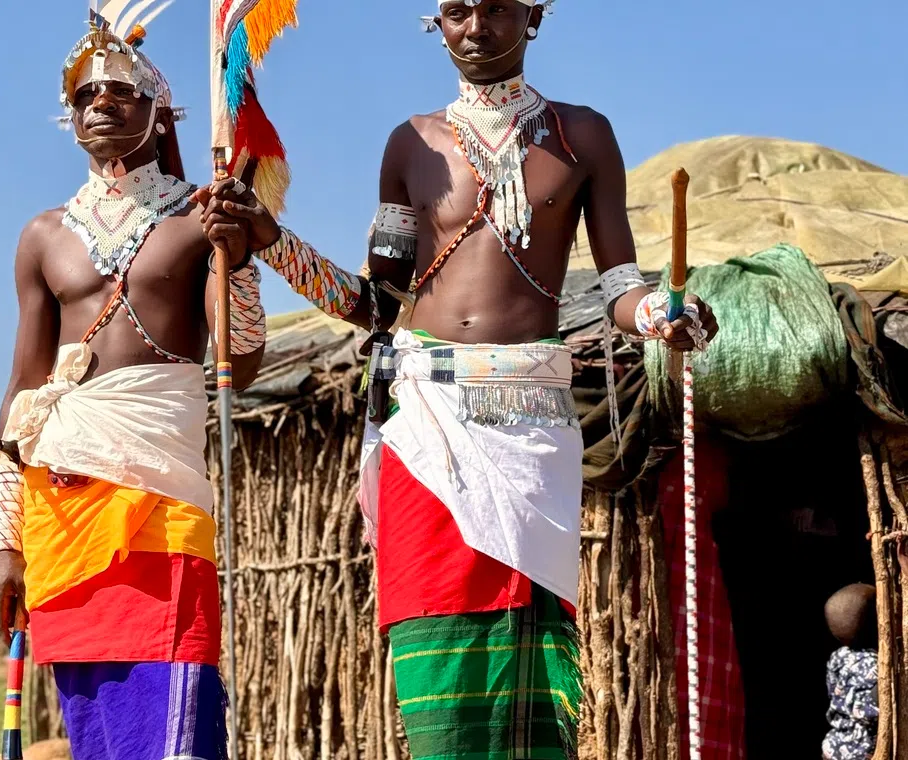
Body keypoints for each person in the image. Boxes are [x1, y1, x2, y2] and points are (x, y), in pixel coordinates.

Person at [193, 0, 719, 757]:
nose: (477, 27)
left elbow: (618, 289)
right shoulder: (410, 143)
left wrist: (664, 313)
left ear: (533, 15)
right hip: (426, 419)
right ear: (435, 23)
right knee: (433, 644)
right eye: (457, 11)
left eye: (497, 8)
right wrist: (271, 242)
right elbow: (376, 303)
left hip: (531, 421)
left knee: (531, 653)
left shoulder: (582, 136)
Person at [0, 8, 266, 760]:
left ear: (159, 113)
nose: (100, 105)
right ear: (67, 117)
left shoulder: (199, 218)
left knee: (178, 719)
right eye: (85, 96)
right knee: (97, 728)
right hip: (60, 507)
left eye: (121, 93)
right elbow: (22, 386)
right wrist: (5, 541)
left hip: (161, 496)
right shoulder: (44, 235)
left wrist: (238, 259)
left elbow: (245, 361)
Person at [822, 583, 879, 760]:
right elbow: (867, 711)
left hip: (834, 746)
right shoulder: (873, 666)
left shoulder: (838, 657)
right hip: (858, 752)